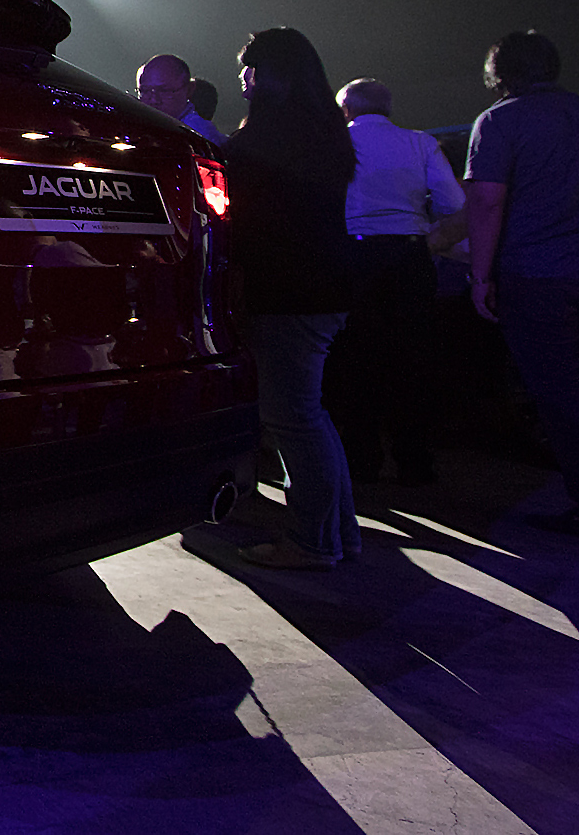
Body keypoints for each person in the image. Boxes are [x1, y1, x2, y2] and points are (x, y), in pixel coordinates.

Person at [226, 28, 359, 570]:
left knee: (292, 418)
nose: (242, 78)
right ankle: (338, 534)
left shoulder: (264, 138)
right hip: (325, 286)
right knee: (310, 415)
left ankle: (311, 542)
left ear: (268, 75)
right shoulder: (324, 131)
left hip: (287, 292)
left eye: (249, 67)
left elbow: (246, 220)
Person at [464, 30, 579, 535]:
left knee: (558, 393)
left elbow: (487, 202)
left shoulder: (499, 121)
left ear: (499, 73)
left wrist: (480, 275)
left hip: (536, 275)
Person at [324, 77, 464, 485]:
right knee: (412, 358)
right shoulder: (420, 142)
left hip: (354, 256)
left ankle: (360, 459)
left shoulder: (335, 143)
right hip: (409, 256)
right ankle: (414, 461)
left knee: (355, 358)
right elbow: (453, 203)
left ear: (345, 109)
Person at [135, 53, 224, 146]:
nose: (154, 100)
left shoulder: (198, 134)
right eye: (145, 91)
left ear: (189, 89)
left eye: (164, 91)